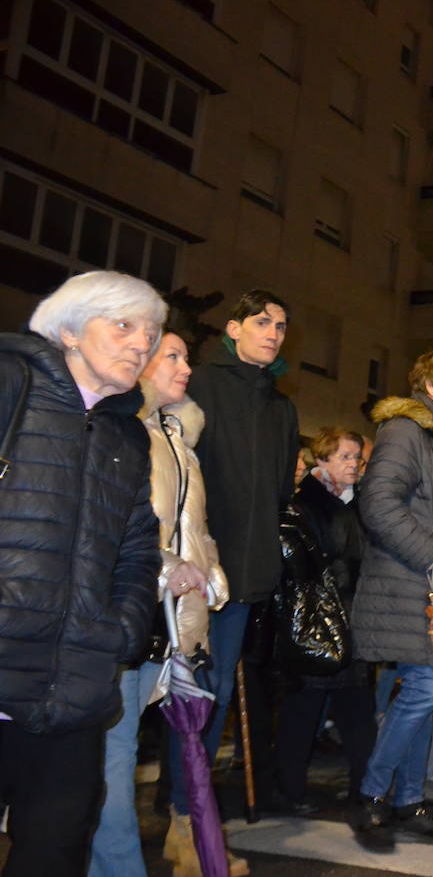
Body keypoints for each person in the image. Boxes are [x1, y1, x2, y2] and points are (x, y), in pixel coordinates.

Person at [0, 271, 164, 877]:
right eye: (122, 326)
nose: (139, 345)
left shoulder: (128, 435)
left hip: (75, 687)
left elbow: (138, 547)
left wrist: (120, 629)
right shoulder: (10, 385)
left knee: (56, 851)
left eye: (149, 334)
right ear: (68, 330)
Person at [89, 331, 233, 877]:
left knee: (118, 752)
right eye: (173, 356)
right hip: (125, 607)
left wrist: (211, 574)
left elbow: (192, 527)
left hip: (169, 619)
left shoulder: (179, 438)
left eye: (187, 357)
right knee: (115, 753)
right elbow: (115, 524)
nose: (187, 367)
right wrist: (169, 569)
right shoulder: (122, 429)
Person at [348, 344, 433, 849]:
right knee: (426, 693)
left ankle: (408, 801)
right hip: (415, 587)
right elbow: (379, 502)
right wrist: (430, 552)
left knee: (429, 698)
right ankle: (369, 794)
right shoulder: (407, 431)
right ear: (432, 384)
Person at [181, 289, 298, 822]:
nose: (273, 332)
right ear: (233, 328)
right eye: (261, 322)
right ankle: (180, 803)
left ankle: (191, 811)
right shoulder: (200, 385)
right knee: (179, 691)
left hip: (245, 575)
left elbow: (279, 492)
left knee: (217, 691)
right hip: (191, 570)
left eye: (280, 325)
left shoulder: (282, 405)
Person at [275, 427, 376, 814]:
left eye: (357, 458)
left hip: (351, 620)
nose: (353, 465)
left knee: (355, 712)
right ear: (322, 460)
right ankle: (292, 789)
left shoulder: (353, 501)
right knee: (304, 711)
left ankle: (363, 788)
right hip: (320, 622)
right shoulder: (308, 503)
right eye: (345, 457)